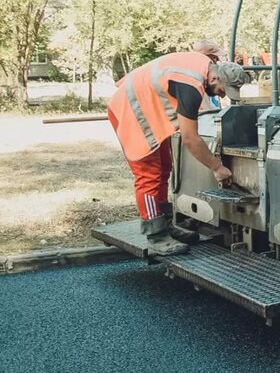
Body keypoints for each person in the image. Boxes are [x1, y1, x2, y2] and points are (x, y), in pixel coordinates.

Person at [106, 51, 251, 256]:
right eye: (222, 90)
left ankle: (165, 226)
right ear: (215, 78)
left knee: (164, 168)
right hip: (130, 111)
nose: (221, 95)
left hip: (144, 109)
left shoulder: (204, 66)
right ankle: (156, 236)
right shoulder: (190, 86)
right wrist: (217, 167)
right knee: (149, 175)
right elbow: (191, 138)